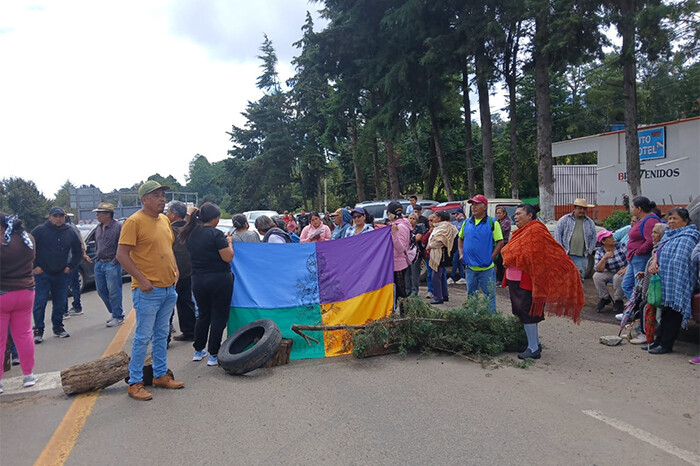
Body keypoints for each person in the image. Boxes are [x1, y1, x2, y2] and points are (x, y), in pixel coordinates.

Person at [117, 180, 185, 401]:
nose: (162, 199)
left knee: (162, 334)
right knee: (142, 337)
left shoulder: (165, 220)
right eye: (156, 195)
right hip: (148, 290)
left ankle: (160, 375)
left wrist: (175, 270)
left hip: (167, 288)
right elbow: (122, 255)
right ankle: (135, 382)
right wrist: (142, 280)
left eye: (163, 195)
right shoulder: (134, 222)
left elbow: (168, 249)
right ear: (144, 199)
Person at [501, 204, 585, 360]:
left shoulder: (536, 230)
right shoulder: (523, 231)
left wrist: (509, 254)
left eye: (519, 214)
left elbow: (533, 254)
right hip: (516, 279)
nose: (516, 217)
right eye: (516, 214)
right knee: (521, 311)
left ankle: (533, 348)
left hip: (526, 279)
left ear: (530, 216)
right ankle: (534, 343)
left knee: (527, 311)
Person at [179, 203, 234, 367]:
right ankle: (214, 354)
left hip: (198, 280)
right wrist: (229, 242)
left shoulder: (190, 234)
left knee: (203, 315)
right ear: (215, 218)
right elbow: (228, 257)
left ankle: (198, 350)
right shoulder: (216, 235)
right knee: (219, 316)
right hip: (219, 279)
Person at [643, 207, 699, 355]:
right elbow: (659, 252)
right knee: (664, 312)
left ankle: (667, 345)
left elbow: (682, 261)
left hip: (679, 282)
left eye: (675, 219)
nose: (672, 222)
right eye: (670, 219)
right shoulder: (668, 235)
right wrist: (655, 262)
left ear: (685, 221)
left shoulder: (690, 237)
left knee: (673, 314)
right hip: (665, 280)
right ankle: (658, 341)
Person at [31, 207, 82, 342]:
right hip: (43, 274)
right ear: (50, 217)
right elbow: (28, 248)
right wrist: (34, 266)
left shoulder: (70, 232)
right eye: (56, 216)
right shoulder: (39, 231)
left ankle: (58, 327)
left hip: (61, 273)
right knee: (40, 302)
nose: (59, 218)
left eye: (61, 216)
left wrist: (70, 267)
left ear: (65, 217)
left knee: (60, 302)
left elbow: (78, 252)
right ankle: (38, 330)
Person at [0, 213, 38, 392]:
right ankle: (28, 375)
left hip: (2, 295)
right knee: (24, 334)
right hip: (25, 292)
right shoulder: (27, 239)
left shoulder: (2, 243)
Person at [458, 194, 504, 313]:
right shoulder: (467, 222)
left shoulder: (492, 223)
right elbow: (460, 238)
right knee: (471, 296)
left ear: (484, 207)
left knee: (489, 296)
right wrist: (461, 253)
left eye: (477, 204)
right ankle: (473, 319)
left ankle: (491, 319)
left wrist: (492, 257)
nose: (473, 207)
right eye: (472, 204)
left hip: (486, 268)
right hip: (470, 268)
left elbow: (500, 241)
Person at [628, 222, 668, 344]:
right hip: (652, 285)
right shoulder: (656, 248)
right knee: (645, 307)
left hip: (659, 287)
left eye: (656, 232)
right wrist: (645, 274)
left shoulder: (663, 248)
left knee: (650, 310)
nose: (652, 235)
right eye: (652, 232)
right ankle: (648, 335)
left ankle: (651, 337)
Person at [165, 201, 196, 341]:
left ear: (174, 214)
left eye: (168, 212)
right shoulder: (191, 229)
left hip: (171, 272)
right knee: (186, 302)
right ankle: (190, 332)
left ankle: (164, 336)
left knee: (167, 304)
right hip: (189, 271)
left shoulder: (167, 229)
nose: (166, 214)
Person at [622, 196, 662, 300]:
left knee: (639, 286)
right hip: (633, 258)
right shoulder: (642, 219)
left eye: (632, 207)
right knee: (626, 285)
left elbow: (650, 241)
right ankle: (632, 309)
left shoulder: (650, 220)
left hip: (641, 258)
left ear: (639, 209)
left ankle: (638, 311)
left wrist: (639, 251)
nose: (631, 209)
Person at [92, 202, 125, 328]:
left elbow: (121, 245)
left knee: (114, 290)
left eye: (99, 213)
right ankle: (114, 311)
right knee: (101, 290)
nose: (97, 215)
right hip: (99, 262)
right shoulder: (98, 228)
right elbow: (96, 244)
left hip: (112, 263)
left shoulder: (118, 227)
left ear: (108, 214)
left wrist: (115, 260)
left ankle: (118, 315)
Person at [554, 198, 597, 283]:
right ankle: (566, 296)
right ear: (574, 208)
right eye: (580, 208)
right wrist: (561, 251)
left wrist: (590, 251)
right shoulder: (565, 219)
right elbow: (558, 234)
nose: (582, 211)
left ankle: (578, 296)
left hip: (582, 256)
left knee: (579, 279)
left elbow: (593, 237)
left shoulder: (589, 222)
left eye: (584, 209)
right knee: (564, 278)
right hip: (566, 254)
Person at [592, 229, 628, 313]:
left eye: (612, 236)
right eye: (610, 237)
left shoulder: (621, 246)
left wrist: (625, 269)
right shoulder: (600, 251)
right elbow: (598, 269)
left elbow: (631, 260)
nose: (613, 238)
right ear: (604, 241)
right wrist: (604, 258)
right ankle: (605, 298)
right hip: (610, 271)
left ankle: (618, 300)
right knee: (597, 276)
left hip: (624, 269)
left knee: (617, 278)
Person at [427, 211, 458, 305]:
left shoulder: (445, 227)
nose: (433, 219)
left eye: (435, 217)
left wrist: (430, 245)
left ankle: (438, 297)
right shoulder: (440, 226)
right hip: (439, 253)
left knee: (435, 276)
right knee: (441, 276)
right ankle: (444, 295)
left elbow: (440, 240)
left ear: (440, 218)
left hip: (441, 254)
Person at [64, 214, 91, 317]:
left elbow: (78, 243)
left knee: (66, 285)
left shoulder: (68, 228)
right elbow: (81, 242)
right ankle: (76, 307)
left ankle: (69, 309)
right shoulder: (73, 227)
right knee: (73, 284)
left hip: (69, 260)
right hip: (72, 259)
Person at [387, 201, 412, 303]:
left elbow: (401, 248)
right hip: (394, 264)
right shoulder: (396, 224)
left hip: (399, 265)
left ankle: (404, 315)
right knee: (395, 293)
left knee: (401, 293)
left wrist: (394, 234)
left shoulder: (400, 227)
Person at [447, 208, 467, 285]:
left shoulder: (465, 222)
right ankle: (462, 276)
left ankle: (452, 277)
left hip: (462, 244)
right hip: (454, 244)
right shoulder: (454, 223)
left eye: (457, 214)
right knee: (458, 261)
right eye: (455, 214)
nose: (456, 215)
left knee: (455, 260)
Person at [494, 206, 512, 284]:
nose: (498, 215)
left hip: (504, 244)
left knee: (502, 262)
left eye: (500, 213)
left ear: (504, 213)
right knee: (498, 262)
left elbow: (501, 232)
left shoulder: (506, 222)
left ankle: (503, 280)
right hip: (498, 243)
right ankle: (500, 279)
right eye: (497, 213)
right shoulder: (499, 221)